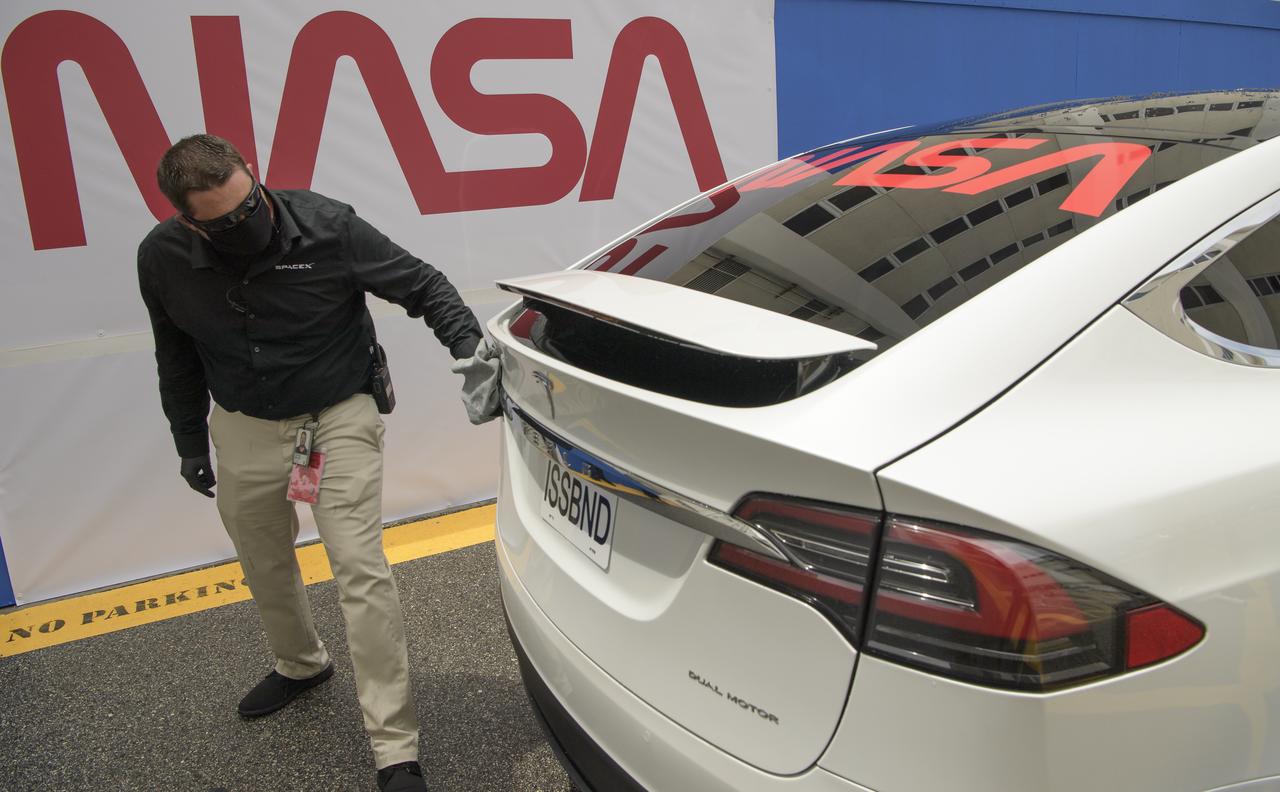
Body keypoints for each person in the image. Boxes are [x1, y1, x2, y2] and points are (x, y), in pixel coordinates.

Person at [137, 134, 500, 792]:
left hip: (335, 417)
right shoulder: (161, 258)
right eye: (223, 223)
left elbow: (424, 285)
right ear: (188, 222)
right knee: (262, 558)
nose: (244, 225)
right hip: (245, 426)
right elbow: (175, 354)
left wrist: (471, 351)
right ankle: (301, 663)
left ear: (253, 175)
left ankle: (395, 746)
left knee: (359, 569)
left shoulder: (329, 227)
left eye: (249, 206)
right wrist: (188, 439)